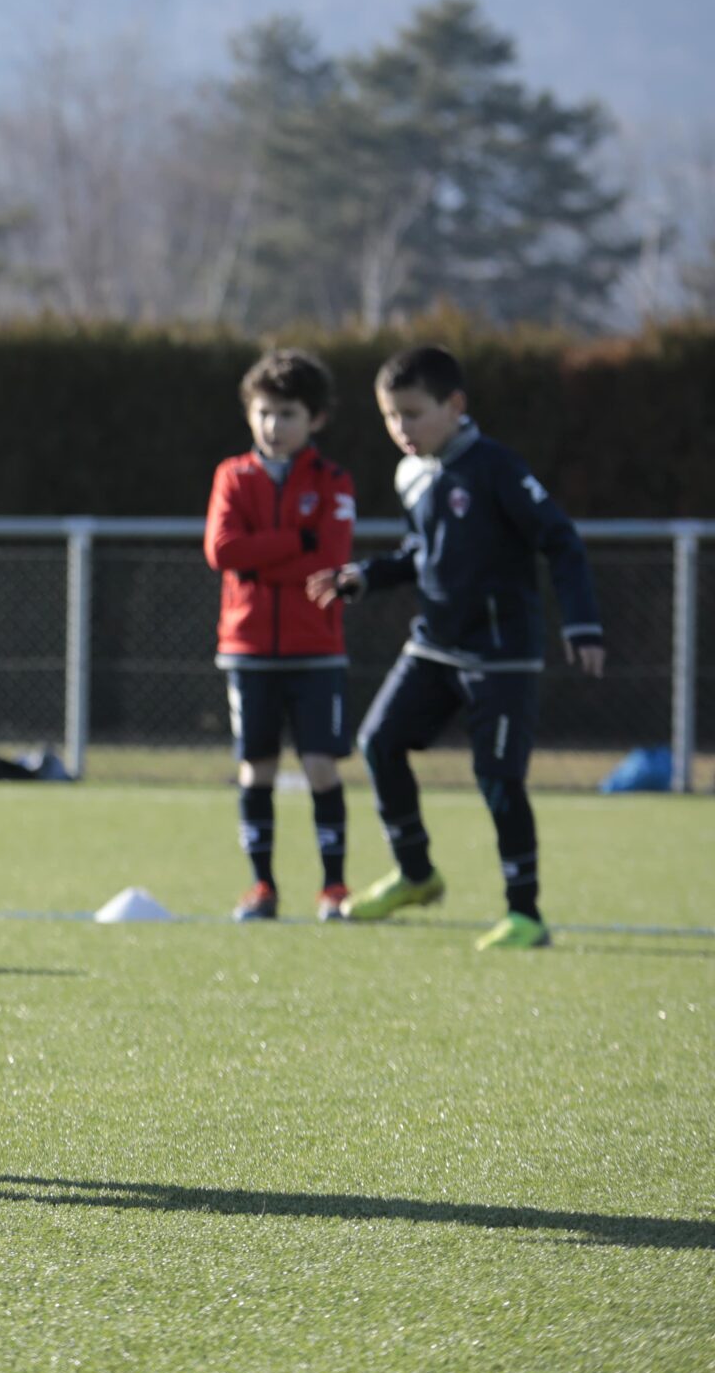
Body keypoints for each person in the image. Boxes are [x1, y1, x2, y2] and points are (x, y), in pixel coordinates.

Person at [307, 346, 607, 951]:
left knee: (498, 778)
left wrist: (582, 626)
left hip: (500, 656)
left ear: (455, 406)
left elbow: (561, 540)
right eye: (391, 417)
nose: (402, 429)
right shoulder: (411, 472)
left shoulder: (496, 468)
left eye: (413, 414)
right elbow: (423, 554)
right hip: (435, 647)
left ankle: (525, 914)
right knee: (379, 743)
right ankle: (416, 873)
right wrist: (366, 575)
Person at [203, 348, 358, 922]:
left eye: (288, 414)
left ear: (314, 419)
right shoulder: (231, 476)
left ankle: (335, 888)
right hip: (246, 649)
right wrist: (298, 540)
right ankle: (262, 886)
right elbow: (222, 552)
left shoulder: (334, 481)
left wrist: (260, 557)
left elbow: (333, 559)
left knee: (321, 766)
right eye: (264, 413)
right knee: (257, 768)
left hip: (316, 651)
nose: (274, 426)